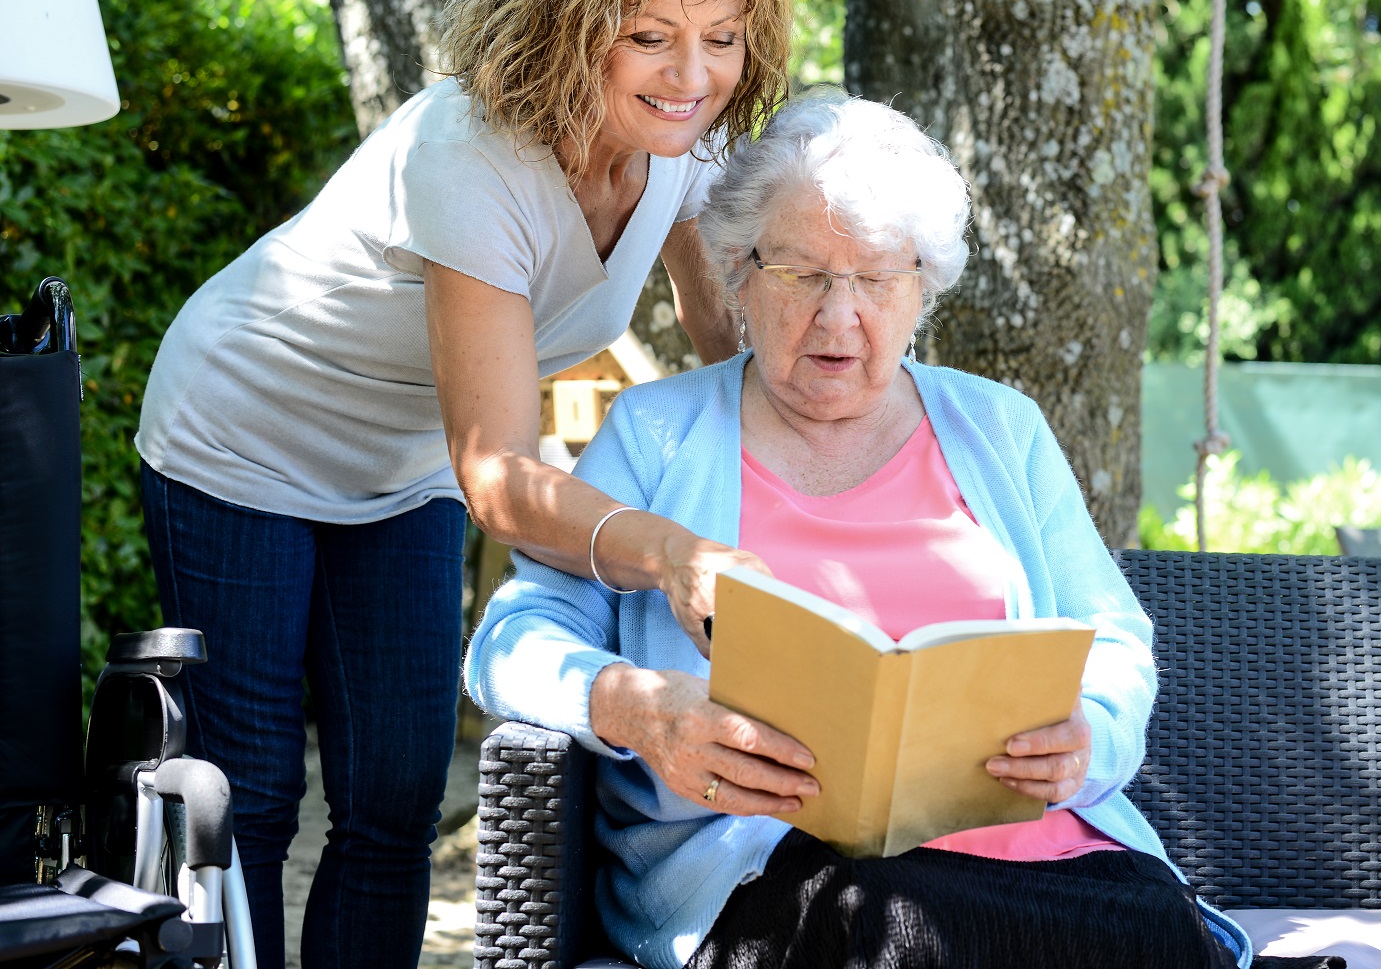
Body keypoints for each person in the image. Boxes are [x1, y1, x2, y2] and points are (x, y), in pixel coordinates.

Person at [134, 0, 791, 969]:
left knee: (393, 796)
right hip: (244, 429)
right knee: (249, 793)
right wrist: (675, 550)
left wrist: (809, 458)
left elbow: (723, 329)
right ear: (574, 22)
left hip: (404, 459)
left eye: (721, 39)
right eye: (651, 36)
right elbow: (498, 480)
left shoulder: (685, 145)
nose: (692, 74)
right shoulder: (471, 150)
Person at [466, 91, 1254, 969]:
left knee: (1151, 930)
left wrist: (1090, 735)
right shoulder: (658, 433)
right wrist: (640, 713)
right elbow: (510, 638)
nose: (839, 317)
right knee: (893, 928)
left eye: (877, 278)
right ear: (737, 269)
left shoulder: (1002, 428)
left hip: (1035, 854)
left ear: (923, 284)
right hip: (774, 872)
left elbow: (1112, 637)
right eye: (801, 273)